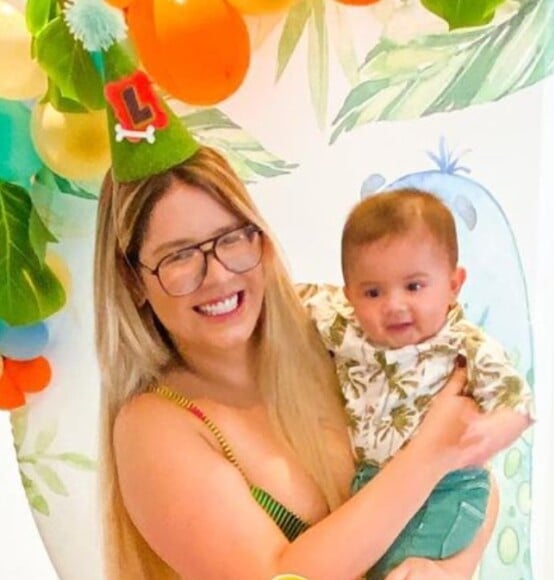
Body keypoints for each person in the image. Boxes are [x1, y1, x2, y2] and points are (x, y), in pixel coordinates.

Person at [93, 148, 508, 580]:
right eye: (179, 256)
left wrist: (449, 568)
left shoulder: (334, 332)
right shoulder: (155, 427)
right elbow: (279, 576)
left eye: (231, 238)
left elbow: (476, 477)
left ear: (261, 240)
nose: (217, 276)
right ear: (132, 280)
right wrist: (427, 457)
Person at [300, 189, 534, 579]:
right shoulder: (346, 329)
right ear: (350, 295)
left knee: (404, 569)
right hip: (375, 483)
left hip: (450, 488)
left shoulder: (463, 344)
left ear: (454, 284)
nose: (393, 305)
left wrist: (492, 430)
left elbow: (520, 403)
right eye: (372, 292)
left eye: (414, 287)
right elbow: (293, 300)